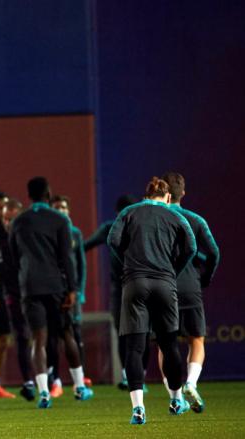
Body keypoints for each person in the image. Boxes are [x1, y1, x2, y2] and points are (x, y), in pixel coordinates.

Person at [108, 177, 197, 425]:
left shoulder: (129, 212)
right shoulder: (175, 215)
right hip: (165, 284)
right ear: (168, 197)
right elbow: (191, 247)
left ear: (146, 195)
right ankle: (176, 400)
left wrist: (129, 262)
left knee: (135, 348)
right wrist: (173, 269)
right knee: (169, 345)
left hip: (135, 283)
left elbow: (112, 241)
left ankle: (138, 409)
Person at [9, 177, 93, 409]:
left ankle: (44, 393)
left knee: (38, 339)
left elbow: (14, 257)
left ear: (29, 196)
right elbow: (67, 257)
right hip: (56, 286)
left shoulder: (19, 221)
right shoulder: (59, 220)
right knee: (66, 334)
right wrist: (73, 288)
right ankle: (79, 387)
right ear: (48, 194)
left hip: (30, 286)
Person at [158, 172, 219, 413]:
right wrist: (205, 277)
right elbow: (214, 253)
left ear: (163, 191)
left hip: (162, 287)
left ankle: (175, 398)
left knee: (164, 344)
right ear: (182, 192)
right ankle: (191, 383)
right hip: (190, 286)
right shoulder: (195, 220)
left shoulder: (155, 218)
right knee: (196, 339)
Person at [85, 194, 146, 390]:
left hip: (134, 287)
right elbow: (85, 246)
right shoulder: (110, 228)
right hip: (126, 288)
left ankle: (138, 376)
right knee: (128, 333)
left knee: (137, 332)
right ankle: (129, 376)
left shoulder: (141, 226)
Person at [0, 198, 34, 400]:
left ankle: (49, 379)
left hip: (32, 291)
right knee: (12, 336)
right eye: (5, 219)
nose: (7, 223)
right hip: (7, 293)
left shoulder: (28, 234)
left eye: (11, 219)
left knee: (38, 336)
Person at [47, 195, 92, 397]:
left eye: (64, 207)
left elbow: (81, 265)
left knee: (76, 334)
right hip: (56, 289)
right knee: (54, 337)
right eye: (57, 207)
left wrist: (79, 291)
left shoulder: (75, 233)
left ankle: (79, 380)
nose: (61, 210)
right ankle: (54, 380)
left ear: (69, 210)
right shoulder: (49, 231)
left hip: (72, 292)